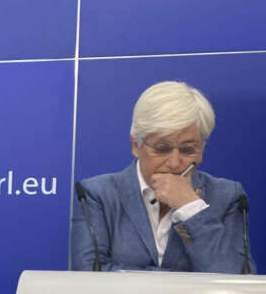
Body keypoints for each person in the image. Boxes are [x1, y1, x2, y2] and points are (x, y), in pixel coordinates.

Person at [71, 80, 254, 273]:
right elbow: (90, 274)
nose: (175, 163)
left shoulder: (227, 196)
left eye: (188, 149)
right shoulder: (96, 195)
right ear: (136, 145)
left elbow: (237, 278)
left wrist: (190, 207)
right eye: (162, 148)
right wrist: (183, 280)